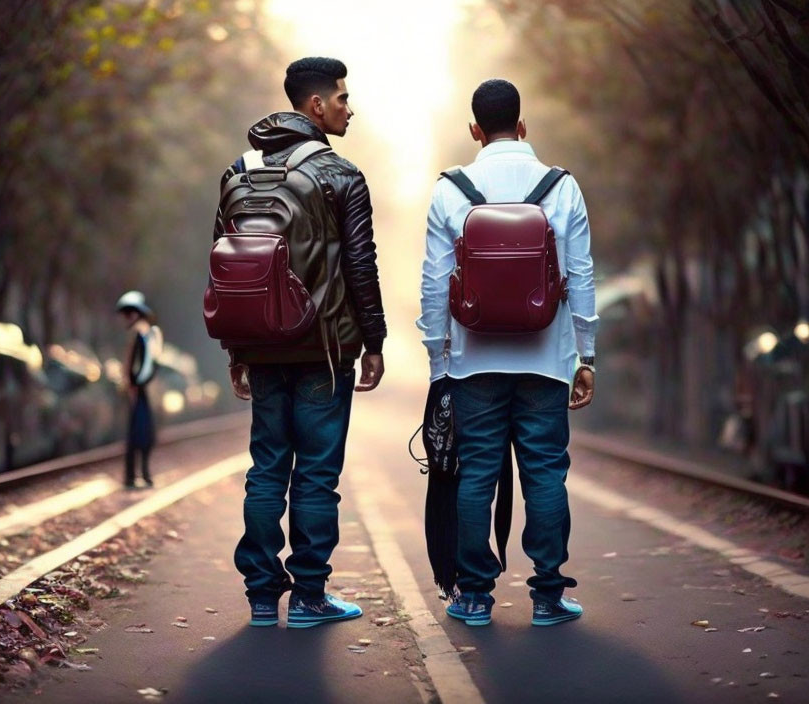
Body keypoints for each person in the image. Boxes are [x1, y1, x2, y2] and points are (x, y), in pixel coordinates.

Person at [212, 57, 386, 628]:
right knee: (315, 473)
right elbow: (361, 265)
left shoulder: (238, 171)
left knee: (266, 468)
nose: (348, 107)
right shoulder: (341, 175)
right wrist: (375, 339)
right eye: (341, 98)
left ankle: (263, 597)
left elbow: (227, 265)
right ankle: (310, 597)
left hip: (261, 348)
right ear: (316, 106)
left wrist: (237, 349)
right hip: (324, 351)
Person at [417, 79, 598, 627]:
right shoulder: (561, 187)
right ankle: (547, 596)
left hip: (475, 360)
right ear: (523, 126)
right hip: (546, 358)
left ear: (475, 130)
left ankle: (473, 596)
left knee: (476, 474)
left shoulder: (452, 189)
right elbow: (581, 274)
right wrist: (585, 355)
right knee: (545, 472)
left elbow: (434, 281)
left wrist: (437, 360)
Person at [116, 290, 162, 490]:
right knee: (141, 431)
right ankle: (139, 474)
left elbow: (141, 365)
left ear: (136, 313)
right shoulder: (148, 332)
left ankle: (134, 476)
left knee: (138, 432)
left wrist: (135, 383)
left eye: (129, 313)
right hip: (143, 389)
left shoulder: (140, 333)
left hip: (140, 389)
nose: (126, 317)